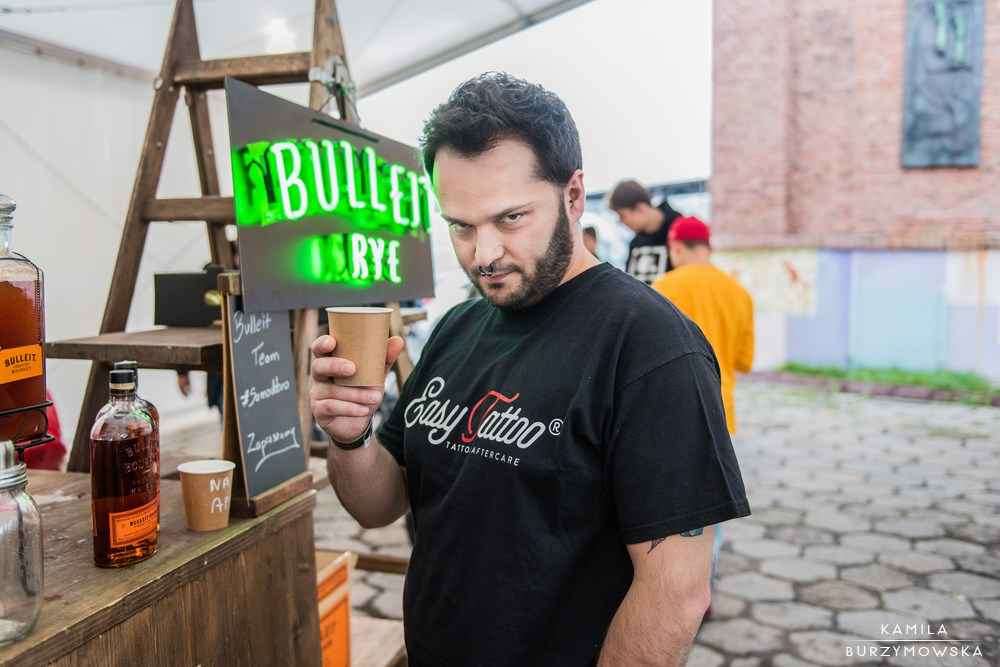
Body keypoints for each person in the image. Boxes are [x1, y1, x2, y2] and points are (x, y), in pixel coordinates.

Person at [310, 72, 750, 667]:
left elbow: (674, 593)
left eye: (511, 218)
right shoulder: (456, 328)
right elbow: (379, 504)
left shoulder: (651, 346)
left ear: (573, 195)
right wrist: (350, 434)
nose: (484, 254)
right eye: (461, 226)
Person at [651, 216, 754, 435]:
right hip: (722, 410)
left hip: (674, 410)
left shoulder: (662, 287)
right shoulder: (740, 293)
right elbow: (744, 362)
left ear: (677, 248)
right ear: (707, 248)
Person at [609, 179, 681, 284]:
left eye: (622, 215)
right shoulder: (636, 244)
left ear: (640, 208)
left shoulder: (681, 231)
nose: (622, 222)